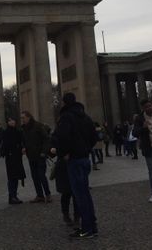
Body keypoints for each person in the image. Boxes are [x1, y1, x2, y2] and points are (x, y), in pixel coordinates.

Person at [55, 92, 98, 239]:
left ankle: (86, 229)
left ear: (64, 103)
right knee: (85, 193)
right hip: (85, 159)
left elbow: (61, 136)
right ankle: (92, 226)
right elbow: (94, 137)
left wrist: (65, 152)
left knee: (80, 195)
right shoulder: (85, 117)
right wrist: (85, 149)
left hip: (74, 160)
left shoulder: (66, 117)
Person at [50, 122, 80, 227]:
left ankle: (77, 216)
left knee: (75, 193)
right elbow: (52, 146)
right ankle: (66, 215)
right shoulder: (57, 133)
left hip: (73, 162)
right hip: (63, 166)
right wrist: (55, 150)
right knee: (66, 193)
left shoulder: (74, 130)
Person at [21, 110, 52, 203]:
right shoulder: (24, 128)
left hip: (40, 156)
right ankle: (40, 195)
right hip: (31, 156)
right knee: (34, 177)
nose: (22, 120)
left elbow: (46, 139)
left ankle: (48, 194)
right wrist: (24, 148)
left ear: (29, 117)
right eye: (21, 118)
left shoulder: (38, 125)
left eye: (23, 118)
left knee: (41, 175)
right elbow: (26, 141)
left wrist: (44, 152)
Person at [1, 117, 26, 204]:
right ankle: (12, 196)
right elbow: (6, 145)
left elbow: (22, 141)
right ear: (8, 122)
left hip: (17, 157)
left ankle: (14, 196)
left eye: (13, 120)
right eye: (11, 121)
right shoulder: (6, 132)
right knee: (12, 178)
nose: (13, 122)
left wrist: (22, 147)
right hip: (11, 158)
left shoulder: (18, 131)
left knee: (15, 177)